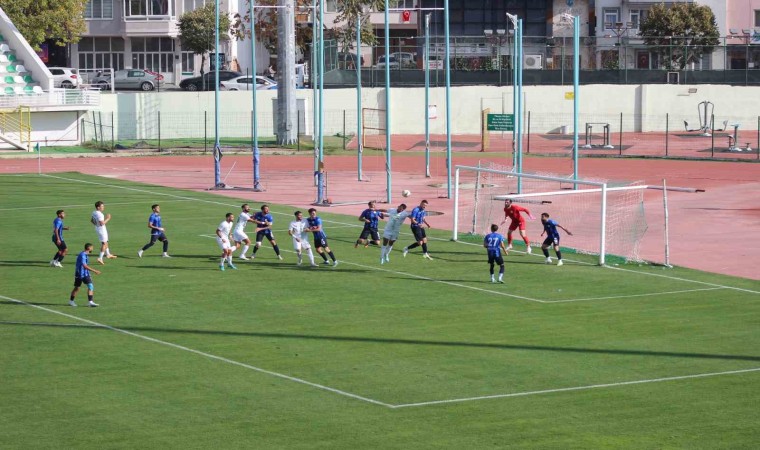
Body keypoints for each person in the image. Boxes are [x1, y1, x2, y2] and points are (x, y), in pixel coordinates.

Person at [69, 243, 101, 307]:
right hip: (79, 274)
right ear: (89, 248)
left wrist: (89, 274)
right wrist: (95, 271)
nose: (93, 248)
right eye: (92, 247)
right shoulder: (82, 255)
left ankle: (90, 302)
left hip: (86, 274)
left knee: (90, 286)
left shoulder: (86, 255)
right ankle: (71, 301)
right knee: (77, 288)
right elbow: (84, 266)